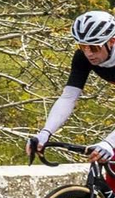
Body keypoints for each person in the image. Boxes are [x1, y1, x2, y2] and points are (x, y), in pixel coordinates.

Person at [26, 11, 115, 162]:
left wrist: (109, 142)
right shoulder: (82, 57)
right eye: (82, 46)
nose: (88, 54)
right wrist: (45, 133)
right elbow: (68, 97)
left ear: (112, 41)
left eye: (94, 48)